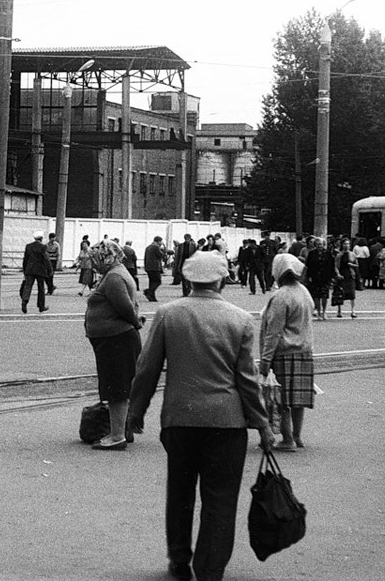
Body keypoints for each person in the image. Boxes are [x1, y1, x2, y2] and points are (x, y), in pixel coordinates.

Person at [128, 251, 273, 581]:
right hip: (227, 423)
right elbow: (247, 380)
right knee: (220, 499)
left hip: (180, 420)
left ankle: (179, 558)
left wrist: (136, 412)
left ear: (188, 278)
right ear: (222, 278)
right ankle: (210, 570)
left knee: (180, 492)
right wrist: (262, 423)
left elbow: (147, 368)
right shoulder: (239, 319)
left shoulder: (168, 314)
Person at [84, 239, 143, 450]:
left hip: (117, 340)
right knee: (116, 386)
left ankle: (117, 436)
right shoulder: (114, 274)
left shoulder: (115, 277)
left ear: (105, 256)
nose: (93, 264)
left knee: (116, 388)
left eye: (95, 259)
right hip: (114, 339)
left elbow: (125, 308)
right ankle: (122, 430)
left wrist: (136, 322)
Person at [259, 254, 316, 451]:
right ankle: (298, 436)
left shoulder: (281, 296)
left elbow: (273, 332)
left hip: (284, 353)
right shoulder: (304, 292)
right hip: (304, 351)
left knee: (281, 400)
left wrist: (265, 361)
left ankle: (287, 439)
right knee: (298, 399)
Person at [19, 230, 53, 314]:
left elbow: (25, 259)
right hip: (40, 270)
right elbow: (46, 259)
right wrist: (50, 269)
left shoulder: (28, 246)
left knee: (28, 286)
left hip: (29, 269)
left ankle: (24, 302)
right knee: (41, 288)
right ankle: (41, 306)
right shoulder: (43, 247)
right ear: (41, 238)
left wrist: (25, 270)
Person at [304, 237, 335, 320]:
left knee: (324, 295)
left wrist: (332, 277)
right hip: (315, 276)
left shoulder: (328, 254)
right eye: (317, 244)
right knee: (317, 296)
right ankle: (318, 312)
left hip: (325, 276)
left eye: (321, 244)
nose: (319, 246)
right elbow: (308, 266)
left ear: (323, 245)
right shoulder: (311, 253)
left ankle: (324, 312)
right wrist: (309, 276)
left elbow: (332, 266)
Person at [332, 238, 357, 318]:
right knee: (340, 293)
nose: (347, 245)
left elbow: (357, 265)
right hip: (342, 275)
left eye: (348, 244)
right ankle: (339, 311)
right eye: (345, 244)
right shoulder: (339, 255)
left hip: (350, 275)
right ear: (342, 245)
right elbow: (336, 266)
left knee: (352, 294)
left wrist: (352, 265)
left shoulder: (352, 254)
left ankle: (353, 311)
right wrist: (338, 274)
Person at [143, 236, 168, 302]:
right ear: (159, 241)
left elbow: (145, 257)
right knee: (158, 281)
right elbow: (160, 255)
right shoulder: (156, 247)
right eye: (161, 241)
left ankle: (152, 297)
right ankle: (148, 291)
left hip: (148, 267)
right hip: (155, 267)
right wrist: (164, 249)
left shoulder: (148, 247)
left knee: (151, 282)